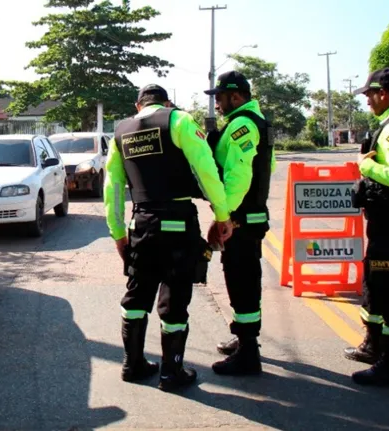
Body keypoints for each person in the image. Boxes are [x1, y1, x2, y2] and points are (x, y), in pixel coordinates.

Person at [104, 84, 233, 391]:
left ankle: (132, 365)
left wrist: (118, 234)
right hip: (177, 223)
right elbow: (205, 169)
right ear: (166, 102)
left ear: (138, 106)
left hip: (141, 224)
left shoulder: (121, 132)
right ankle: (171, 373)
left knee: (137, 294)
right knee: (174, 298)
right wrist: (222, 214)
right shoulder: (179, 120)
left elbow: (112, 188)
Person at [201, 71, 276, 376]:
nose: (217, 104)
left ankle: (248, 353)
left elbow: (239, 175)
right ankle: (245, 338)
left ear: (236, 97)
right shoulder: (253, 122)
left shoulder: (243, 125)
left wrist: (224, 217)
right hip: (247, 216)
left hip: (242, 219)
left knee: (242, 280)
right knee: (241, 278)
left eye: (220, 98)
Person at [347, 67, 389, 387]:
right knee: (379, 285)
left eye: (370, 95)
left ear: (383, 94)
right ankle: (377, 348)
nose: (368, 102)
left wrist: (367, 165)